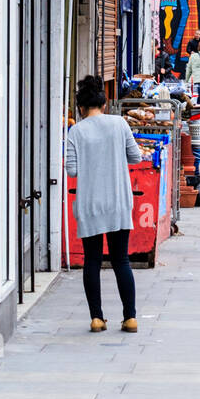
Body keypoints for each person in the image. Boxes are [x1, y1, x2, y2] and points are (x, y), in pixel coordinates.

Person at [65, 75, 142, 334]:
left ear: (81, 107)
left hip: (90, 205)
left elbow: (72, 170)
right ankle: (129, 318)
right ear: (104, 102)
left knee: (92, 261)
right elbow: (136, 156)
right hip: (118, 202)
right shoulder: (119, 124)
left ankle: (97, 318)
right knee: (121, 260)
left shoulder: (75, 131)